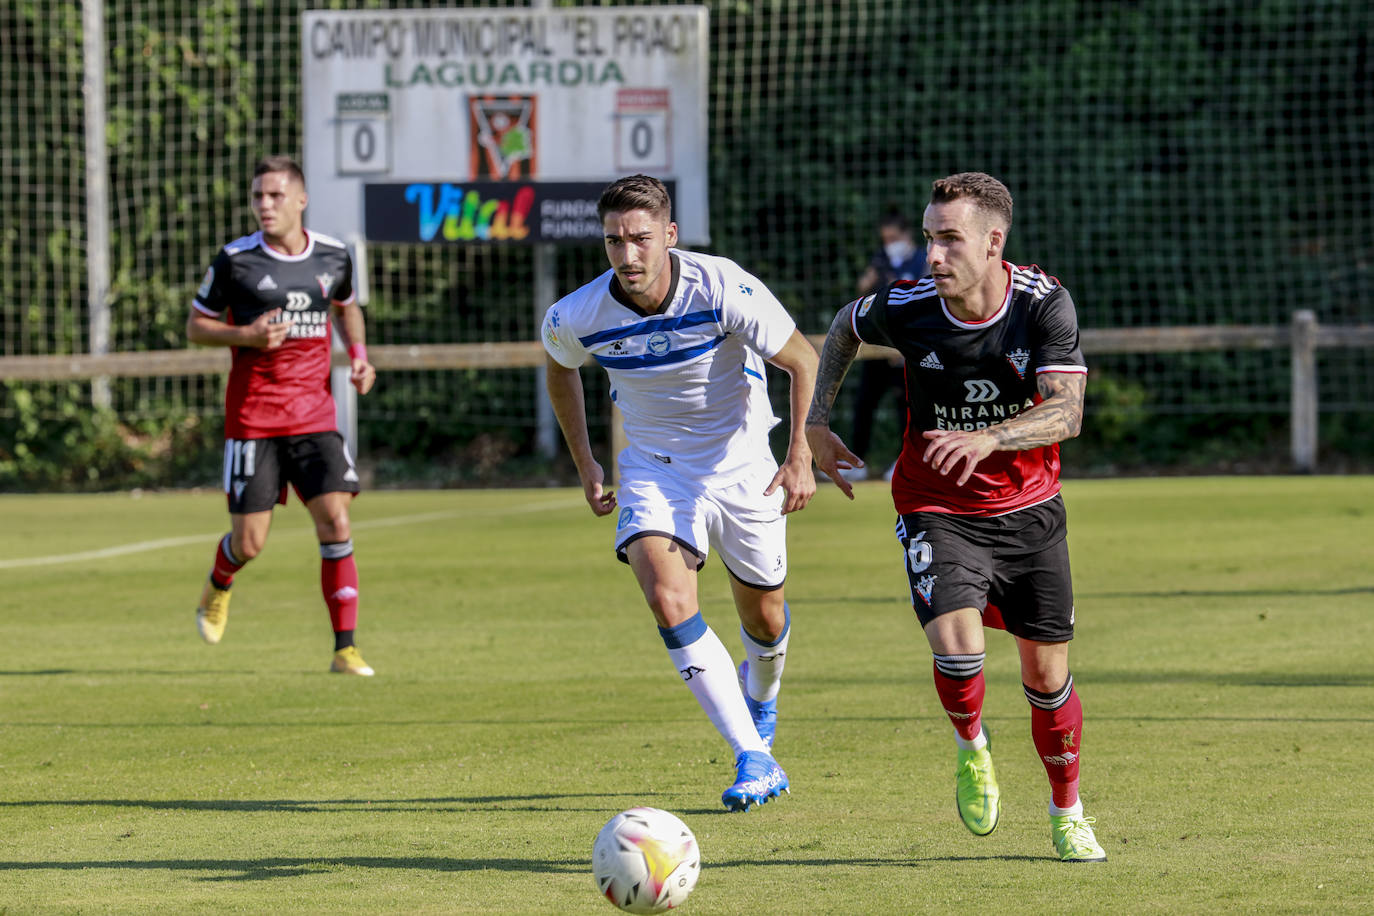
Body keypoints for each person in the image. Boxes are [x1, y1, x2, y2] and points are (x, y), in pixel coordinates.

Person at [805, 172, 1105, 862]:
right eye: (931, 236)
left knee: (1046, 678)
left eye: (949, 239)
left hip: (1031, 511)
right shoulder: (908, 306)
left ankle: (1068, 811)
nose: (932, 255)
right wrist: (816, 424)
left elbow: (1068, 410)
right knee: (957, 646)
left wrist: (993, 438)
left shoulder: (1042, 304)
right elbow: (843, 328)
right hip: (936, 502)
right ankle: (972, 747)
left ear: (994, 242)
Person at [541, 174, 818, 811]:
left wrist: (799, 452)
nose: (628, 255)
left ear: (669, 234)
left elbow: (801, 359)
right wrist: (586, 462)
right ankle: (754, 755)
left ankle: (763, 698)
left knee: (765, 618)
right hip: (655, 468)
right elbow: (559, 369)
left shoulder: (721, 285)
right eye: (614, 241)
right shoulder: (577, 314)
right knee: (666, 596)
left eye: (641, 239)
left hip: (744, 465)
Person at [187, 154, 378, 677]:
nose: (264, 206)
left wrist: (359, 359)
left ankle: (345, 648)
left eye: (274, 196)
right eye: (257, 197)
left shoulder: (335, 256)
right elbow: (197, 326)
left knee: (336, 520)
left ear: (300, 199)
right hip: (253, 419)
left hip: (315, 415)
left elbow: (346, 306)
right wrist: (245, 335)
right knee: (250, 542)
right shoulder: (235, 261)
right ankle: (220, 582)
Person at [843, 210, 924, 482]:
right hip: (878, 347)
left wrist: (906, 347)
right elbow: (865, 295)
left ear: (906, 235)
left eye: (893, 238)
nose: (890, 243)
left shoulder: (924, 261)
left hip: (907, 351)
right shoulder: (880, 261)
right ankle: (855, 462)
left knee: (907, 407)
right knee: (864, 403)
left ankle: (905, 461)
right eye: (885, 239)